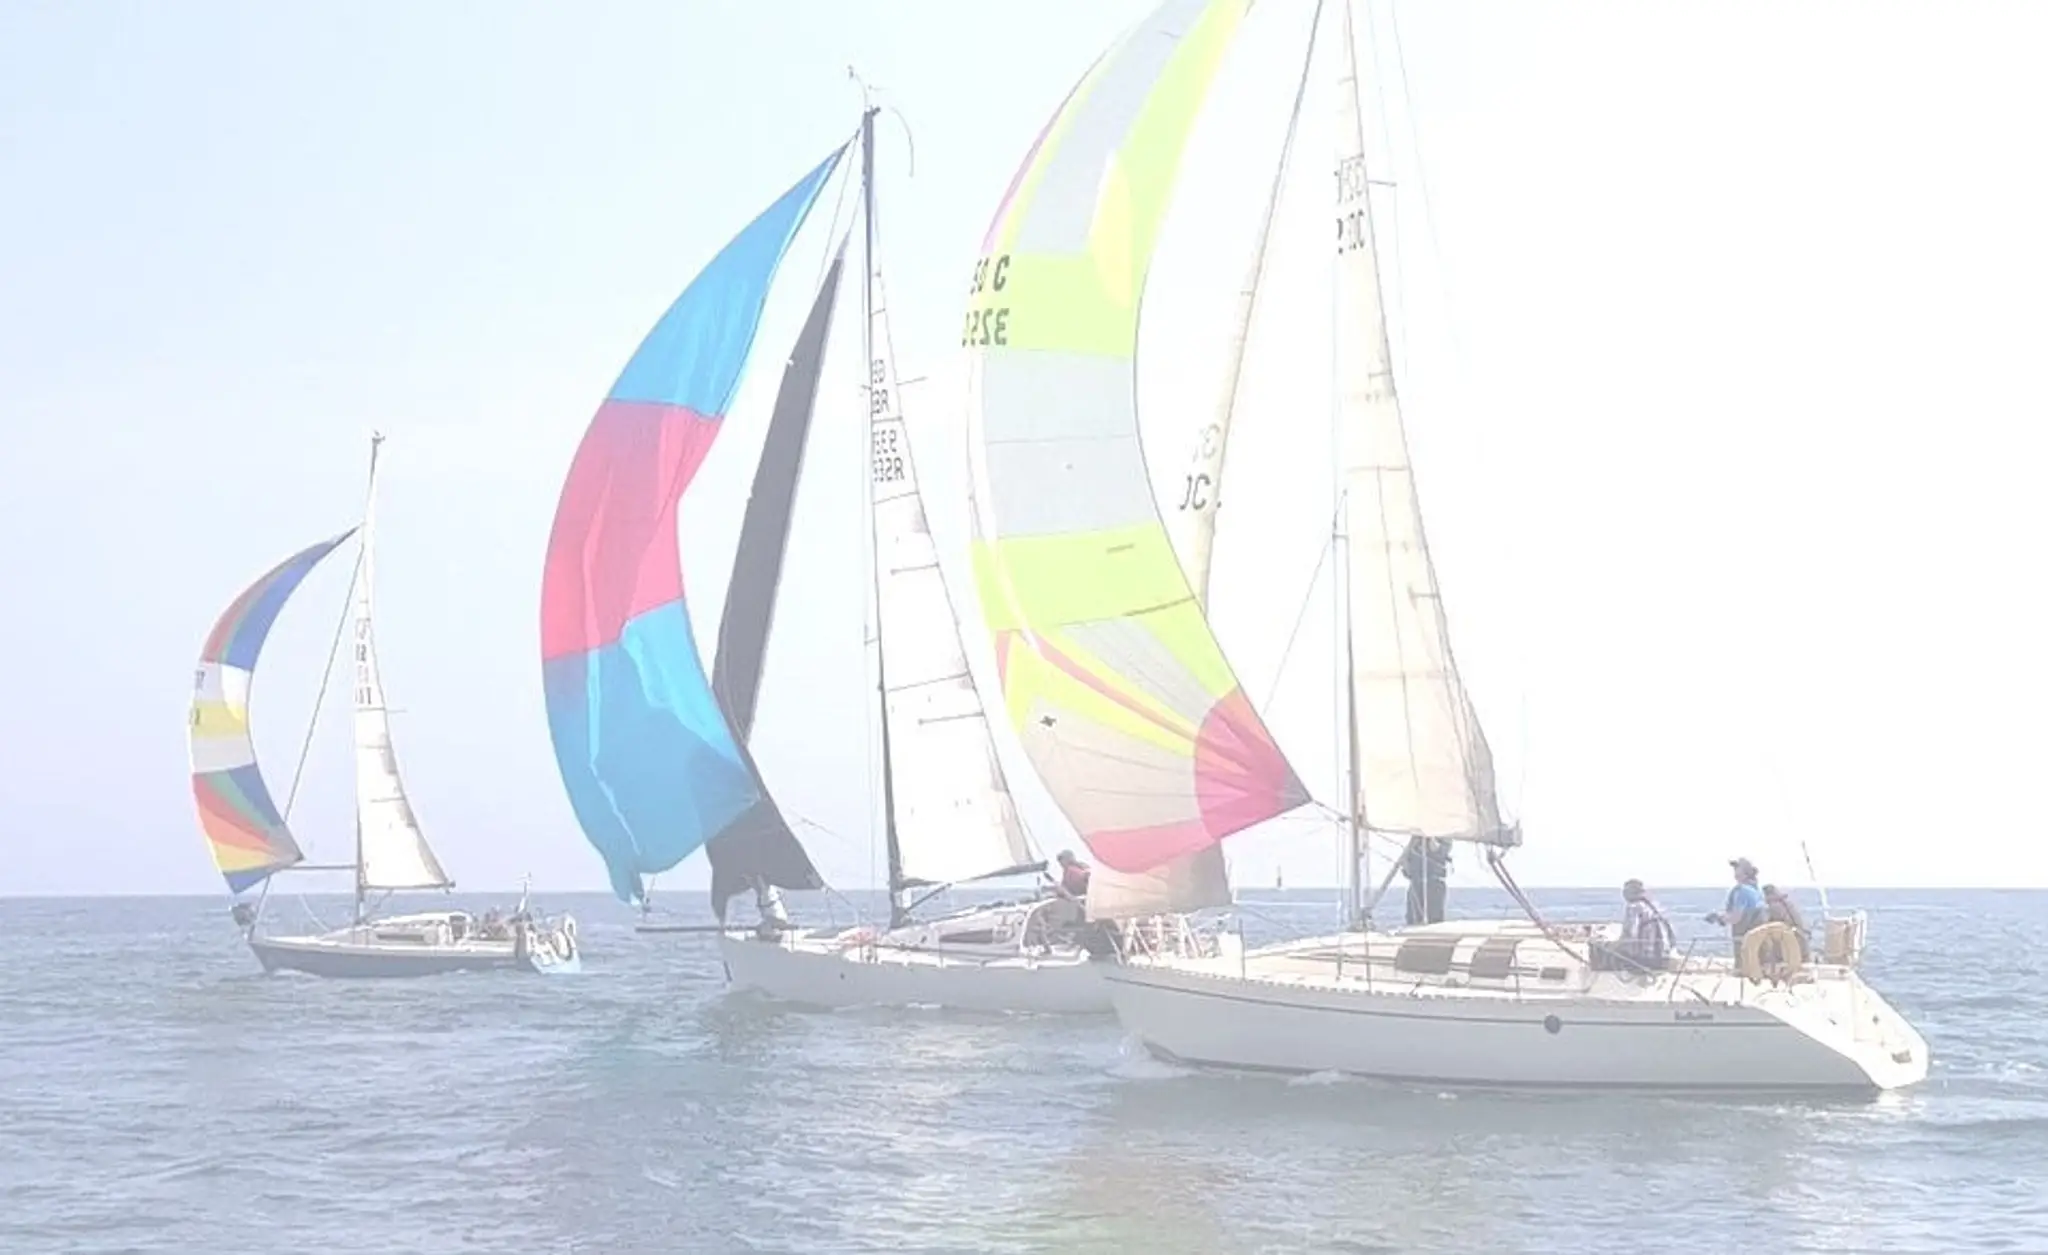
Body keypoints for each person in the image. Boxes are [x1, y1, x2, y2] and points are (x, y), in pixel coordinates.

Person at [1705, 857, 1768, 940]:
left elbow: (1735, 918)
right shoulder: (1758, 891)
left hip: (1745, 941)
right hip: (1760, 940)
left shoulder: (1741, 891)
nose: (1735, 871)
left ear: (1745, 872)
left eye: (1737, 868)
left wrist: (1717, 917)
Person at [1618, 878, 1675, 970]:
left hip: (1645, 958)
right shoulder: (1655, 908)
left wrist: (1618, 946)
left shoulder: (1634, 907)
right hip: (1663, 956)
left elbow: (1631, 932)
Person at [1400, 837, 1451, 927]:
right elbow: (1404, 859)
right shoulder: (1415, 841)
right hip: (1415, 883)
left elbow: (1436, 849)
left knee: (1434, 918)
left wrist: (1428, 835)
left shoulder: (1443, 837)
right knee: (1413, 917)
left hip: (1434, 883)